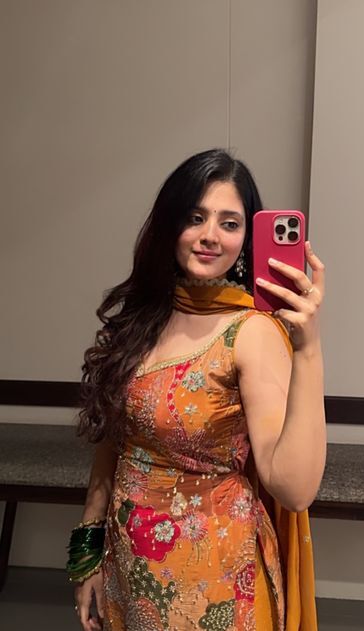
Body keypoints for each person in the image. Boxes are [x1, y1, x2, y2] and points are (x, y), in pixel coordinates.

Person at [69, 149, 327, 631]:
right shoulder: (144, 318)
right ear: (170, 226)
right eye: (195, 217)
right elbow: (113, 441)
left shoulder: (250, 333)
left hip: (214, 582)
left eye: (230, 223)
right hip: (128, 569)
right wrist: (88, 553)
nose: (211, 235)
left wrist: (308, 348)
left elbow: (294, 489)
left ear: (246, 238)